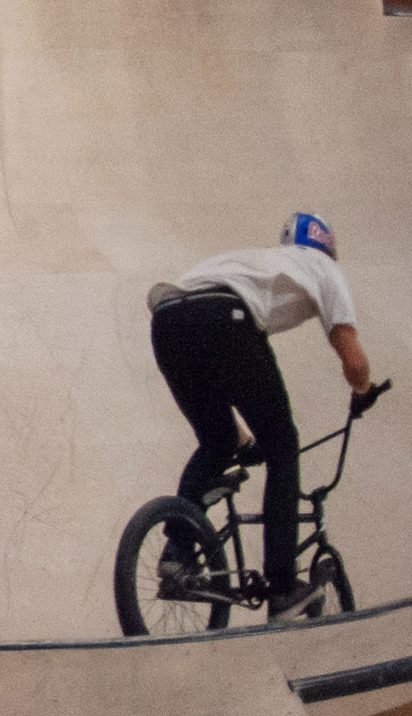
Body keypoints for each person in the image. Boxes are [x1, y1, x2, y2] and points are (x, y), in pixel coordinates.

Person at [145, 213, 374, 618]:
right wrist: (363, 391)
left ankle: (177, 553)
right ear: (328, 245)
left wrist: (244, 442)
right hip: (225, 318)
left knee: (216, 441)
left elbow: (220, 378)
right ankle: (283, 587)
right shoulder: (324, 268)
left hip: (166, 322)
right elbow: (352, 359)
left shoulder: (257, 264)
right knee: (283, 446)